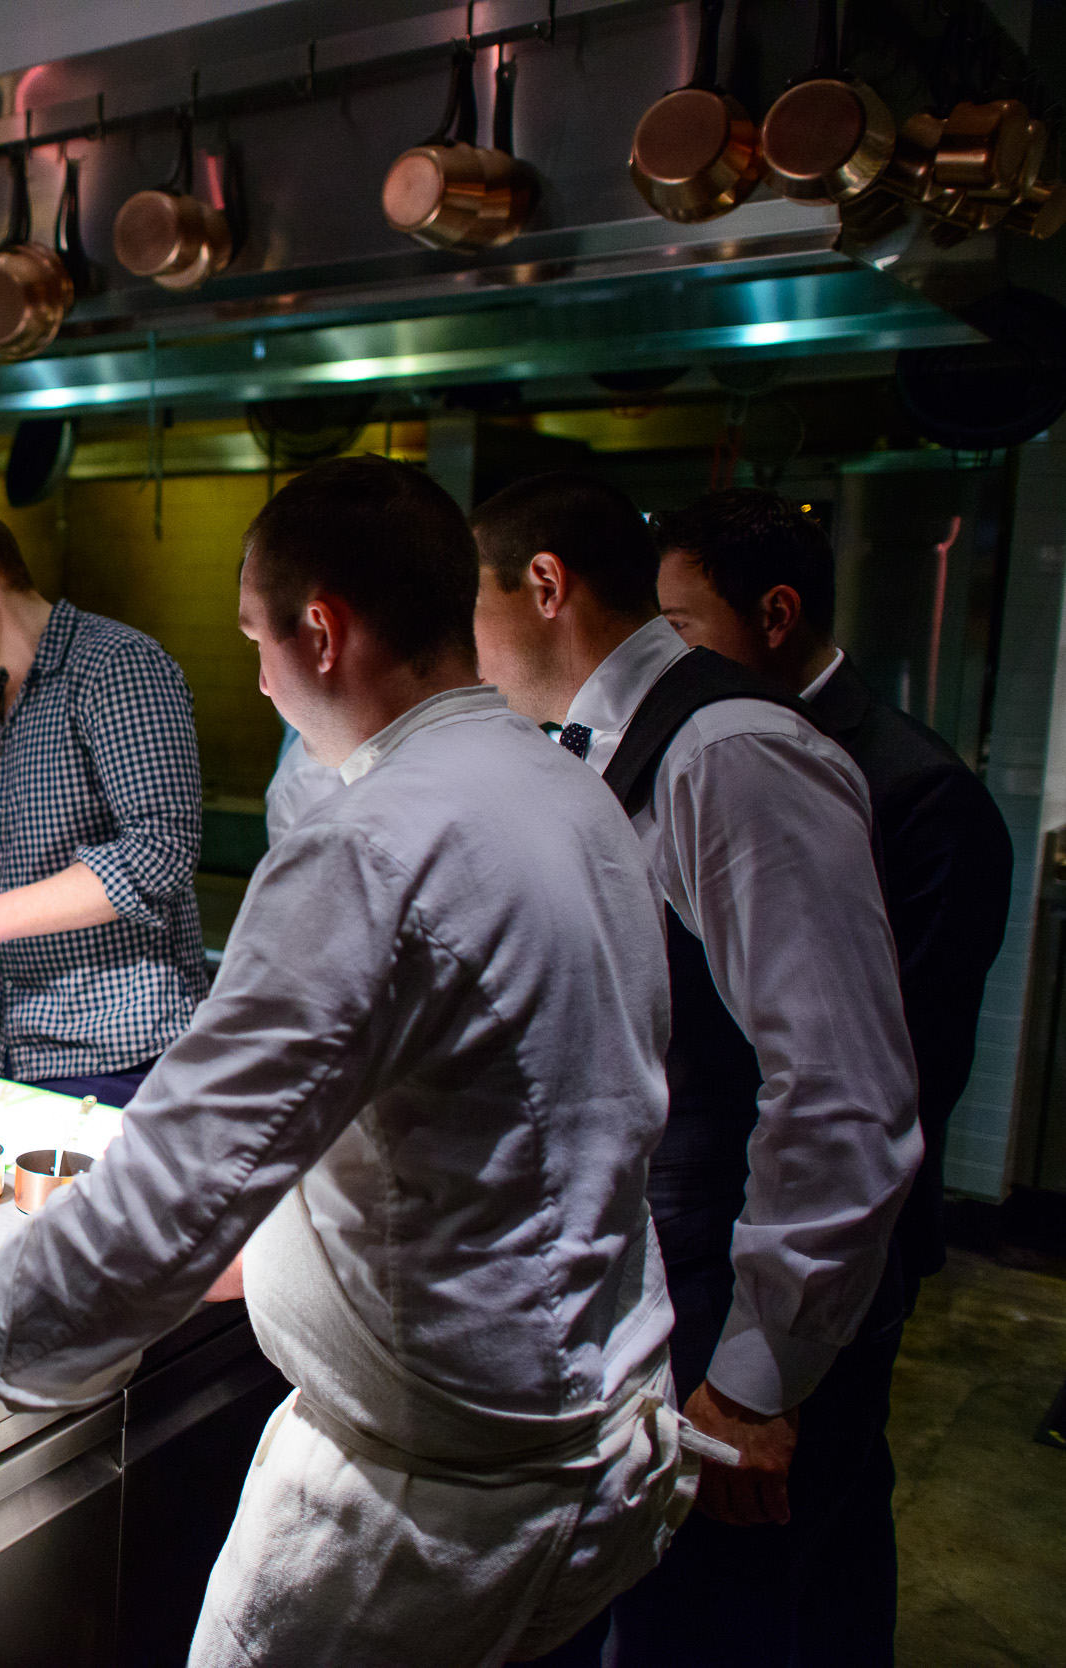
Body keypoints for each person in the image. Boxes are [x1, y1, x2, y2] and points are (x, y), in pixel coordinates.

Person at [0, 457, 700, 1668]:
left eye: (254, 641)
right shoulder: (565, 788)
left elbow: (156, 1206)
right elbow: (477, 1126)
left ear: (320, 632)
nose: (259, 679)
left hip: (433, 1504)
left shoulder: (365, 846)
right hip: (605, 1439)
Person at [465, 473, 921, 1668]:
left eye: (469, 598)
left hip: (717, 1290)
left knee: (713, 1633)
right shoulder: (590, 743)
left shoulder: (732, 751)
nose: (458, 639)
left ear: (544, 587)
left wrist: (756, 1379)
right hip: (635, 1284)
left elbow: (840, 1090)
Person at [651, 486, 1011, 1664]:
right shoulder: (690, 744)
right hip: (718, 1233)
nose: (663, 661)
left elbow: (881, 1078)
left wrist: (774, 1349)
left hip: (826, 1245)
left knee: (806, 1554)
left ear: (777, 612)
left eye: (683, 628)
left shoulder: (914, 789)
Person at [0, 502, 207, 1107]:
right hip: (19, 1036)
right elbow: (52, 849)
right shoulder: (1, 696)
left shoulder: (117, 665)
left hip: (115, 1048)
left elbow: (160, 852)